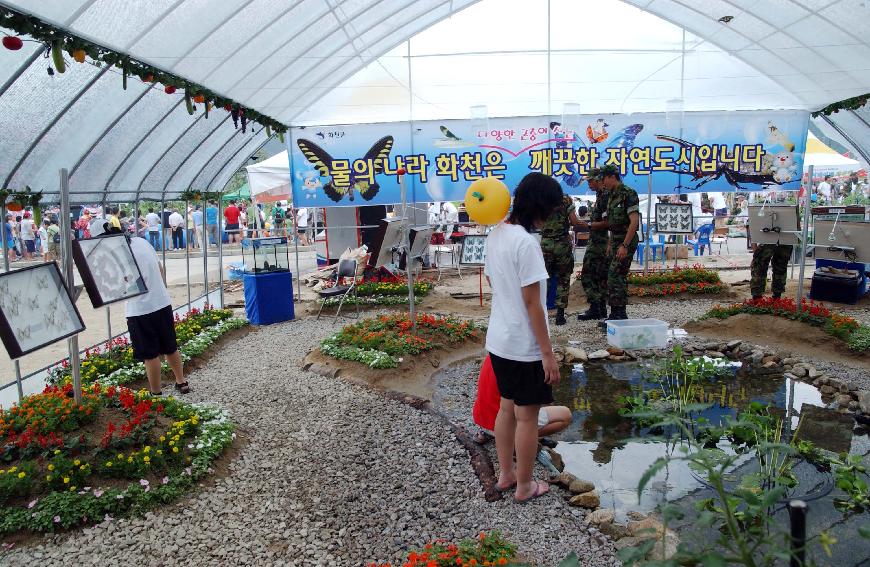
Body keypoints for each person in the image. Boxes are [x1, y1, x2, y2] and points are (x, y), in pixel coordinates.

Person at [485, 171, 562, 503]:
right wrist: (547, 352)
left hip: (499, 341)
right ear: (540, 207)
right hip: (524, 346)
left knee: (506, 409)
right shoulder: (527, 243)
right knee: (527, 416)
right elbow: (533, 303)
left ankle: (506, 475)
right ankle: (525, 486)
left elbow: (492, 282)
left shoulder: (497, 233)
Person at [90, 218, 191, 395]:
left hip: (139, 310)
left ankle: (156, 392)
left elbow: (118, 286)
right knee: (170, 347)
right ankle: (181, 382)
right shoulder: (140, 242)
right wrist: (160, 290)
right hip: (162, 303)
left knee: (150, 355)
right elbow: (160, 268)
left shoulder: (114, 254)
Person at [473, 354, 571, 443]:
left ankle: (484, 433)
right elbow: (543, 403)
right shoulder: (525, 362)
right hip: (503, 425)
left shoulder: (494, 353)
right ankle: (522, 439)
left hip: (482, 419)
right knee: (565, 415)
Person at [598, 164, 640, 327]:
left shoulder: (627, 193)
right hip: (615, 240)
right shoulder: (611, 195)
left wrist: (624, 245)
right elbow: (612, 223)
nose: (602, 182)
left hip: (625, 240)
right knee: (612, 275)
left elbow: (634, 221)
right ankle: (615, 312)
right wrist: (610, 243)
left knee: (616, 274)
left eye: (603, 178)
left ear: (611, 177)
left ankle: (620, 314)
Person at [539, 190, 582, 325]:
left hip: (546, 245)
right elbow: (574, 221)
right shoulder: (566, 200)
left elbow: (537, 223)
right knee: (563, 279)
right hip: (562, 244)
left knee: (545, 279)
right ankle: (560, 315)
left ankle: (542, 313)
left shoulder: (541, 200)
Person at [577, 169, 611, 321]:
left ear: (599, 179)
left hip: (601, 242)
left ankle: (597, 307)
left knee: (589, 275)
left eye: (591, 181)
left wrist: (590, 225)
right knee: (597, 276)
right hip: (597, 241)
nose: (589, 184)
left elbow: (608, 222)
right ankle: (599, 308)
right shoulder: (600, 195)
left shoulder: (605, 196)